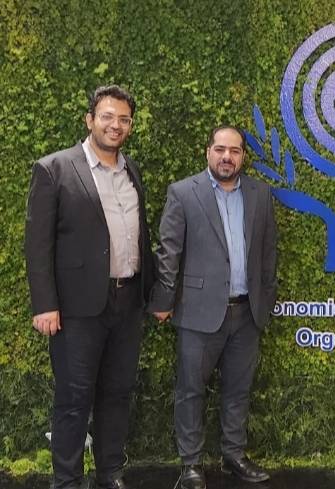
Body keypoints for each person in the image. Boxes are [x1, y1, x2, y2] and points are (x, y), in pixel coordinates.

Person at [24, 85, 155, 489]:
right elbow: (38, 244)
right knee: (74, 398)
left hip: (127, 302)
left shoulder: (131, 170)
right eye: (108, 117)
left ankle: (109, 473)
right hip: (76, 308)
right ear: (90, 120)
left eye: (124, 119)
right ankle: (66, 480)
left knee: (117, 392)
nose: (116, 125)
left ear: (130, 126)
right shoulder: (54, 169)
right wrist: (44, 304)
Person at [149, 125, 278, 489]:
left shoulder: (260, 194)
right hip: (198, 312)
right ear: (208, 151)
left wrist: (265, 299)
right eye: (220, 149)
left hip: (247, 313)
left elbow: (269, 252)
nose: (227, 157)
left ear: (243, 157)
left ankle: (234, 456)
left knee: (238, 389)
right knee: (191, 390)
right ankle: (191, 464)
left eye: (234, 151)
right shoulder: (183, 192)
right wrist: (164, 300)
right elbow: (169, 251)